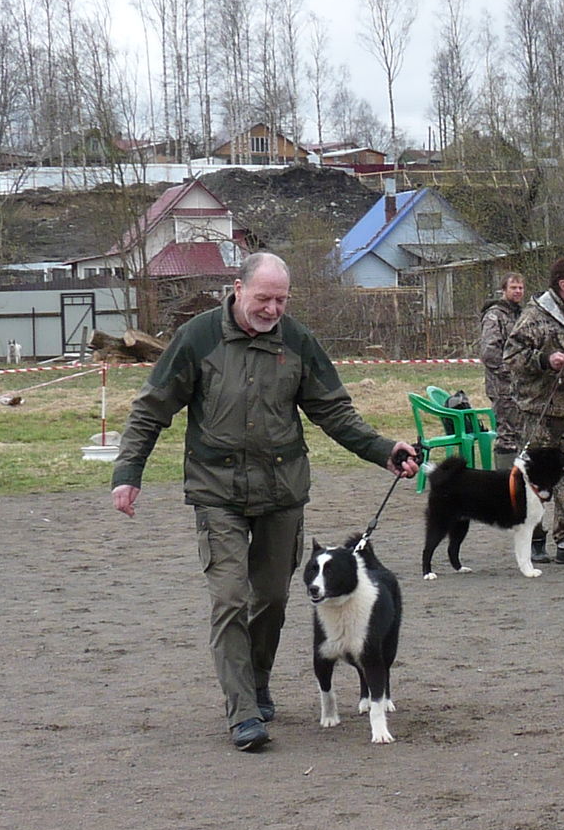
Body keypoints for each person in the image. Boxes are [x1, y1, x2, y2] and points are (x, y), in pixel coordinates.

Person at [109, 252, 420, 751]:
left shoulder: (297, 341)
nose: (272, 309)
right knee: (230, 598)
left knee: (272, 599)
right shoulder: (198, 338)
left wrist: (384, 450)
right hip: (217, 492)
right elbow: (150, 409)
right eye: (263, 298)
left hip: (281, 492)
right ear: (237, 289)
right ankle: (243, 713)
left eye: (281, 300)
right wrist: (128, 473)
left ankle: (256, 680)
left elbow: (334, 411)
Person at [503, 256, 564, 565]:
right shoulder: (535, 317)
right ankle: (534, 539)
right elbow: (511, 356)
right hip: (539, 414)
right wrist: (545, 361)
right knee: (534, 477)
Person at [477, 272, 527, 455]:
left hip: (521, 386)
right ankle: (505, 472)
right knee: (507, 437)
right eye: (513, 287)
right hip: (502, 386)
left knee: (522, 434)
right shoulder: (494, 315)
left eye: (520, 288)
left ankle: (519, 471)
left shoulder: (521, 314)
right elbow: (489, 353)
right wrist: (510, 371)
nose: (518, 291)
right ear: (504, 289)